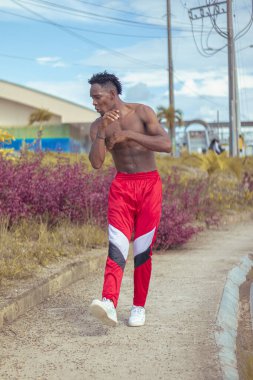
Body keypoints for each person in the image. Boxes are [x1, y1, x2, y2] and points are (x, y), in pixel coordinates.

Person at [88, 71, 171, 327]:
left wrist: (129, 136)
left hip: (149, 185)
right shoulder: (96, 125)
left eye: (97, 97)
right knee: (117, 244)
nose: (93, 102)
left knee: (142, 248)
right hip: (122, 186)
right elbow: (97, 163)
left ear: (112, 95)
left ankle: (138, 307)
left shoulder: (142, 112)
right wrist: (102, 132)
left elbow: (166, 144)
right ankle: (109, 302)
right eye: (91, 98)